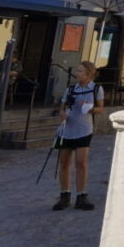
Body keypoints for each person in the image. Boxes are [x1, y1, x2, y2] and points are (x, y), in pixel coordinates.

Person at [52, 61, 104, 211]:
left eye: (80, 71)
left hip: (84, 129)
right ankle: (64, 195)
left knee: (81, 162)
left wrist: (91, 109)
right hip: (67, 129)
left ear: (88, 74)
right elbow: (62, 108)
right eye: (77, 70)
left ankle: (81, 195)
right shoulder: (70, 89)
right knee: (64, 162)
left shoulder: (96, 89)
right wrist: (62, 114)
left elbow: (101, 108)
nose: (77, 73)